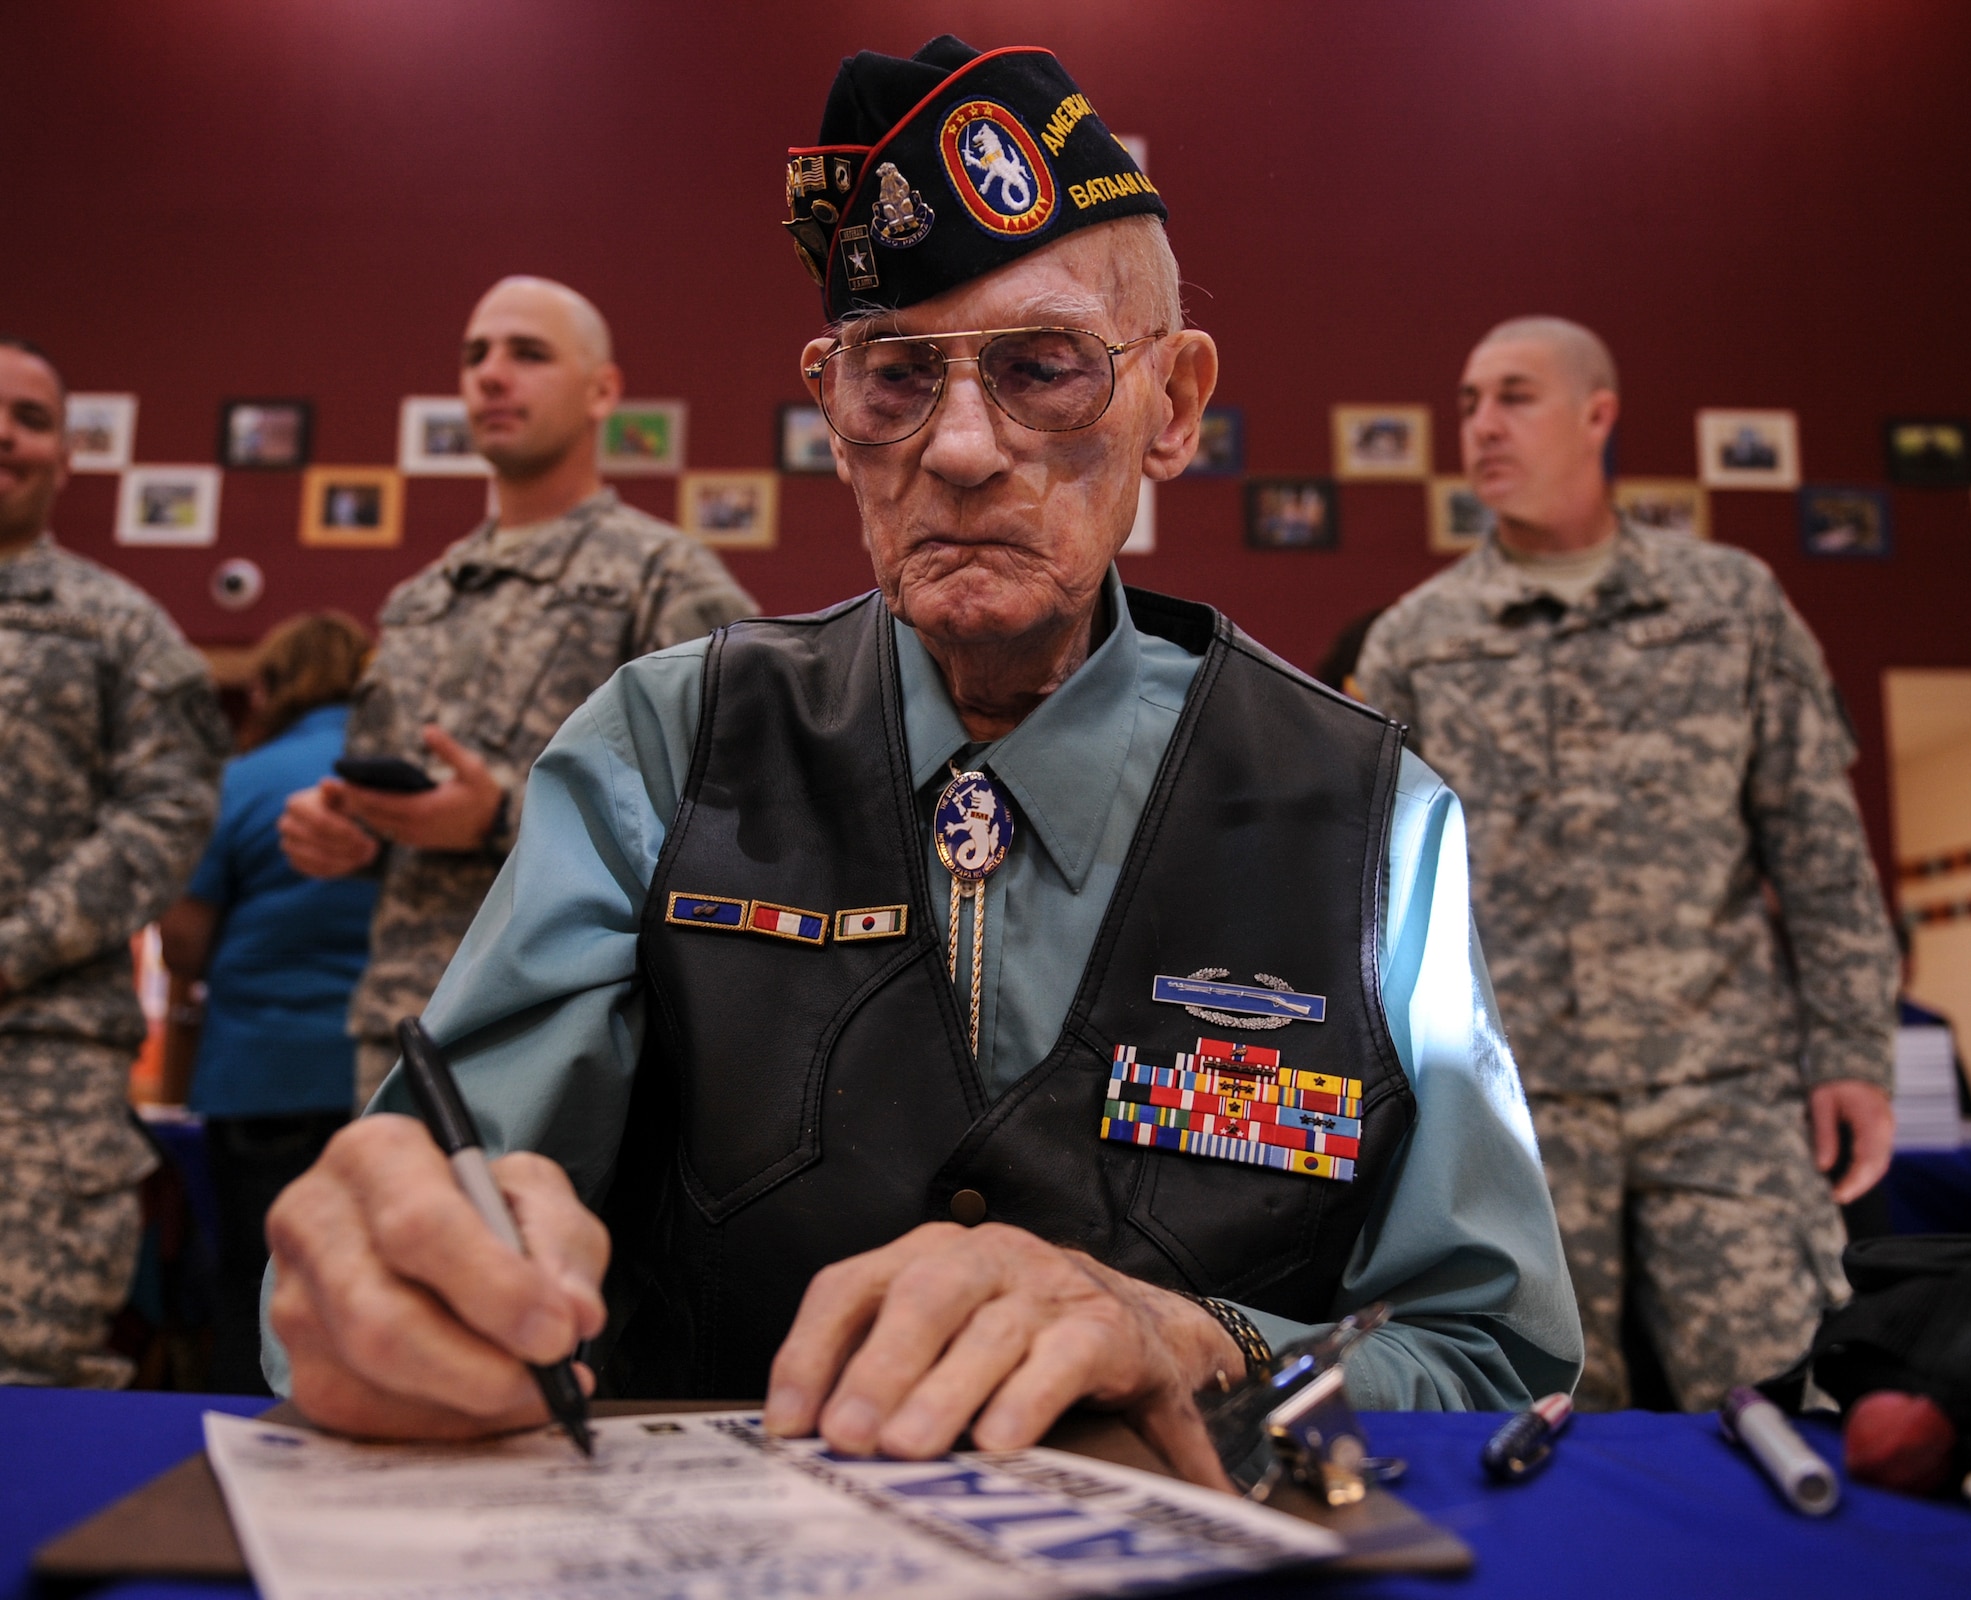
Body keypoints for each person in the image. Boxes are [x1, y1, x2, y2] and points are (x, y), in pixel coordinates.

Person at [264, 39, 1581, 1481]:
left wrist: (1206, 1337)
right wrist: (393, 1288)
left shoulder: (1367, 820)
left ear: (1177, 404)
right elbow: (416, 1239)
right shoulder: (662, 748)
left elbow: (1488, 1358)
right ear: (834, 413)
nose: (961, 448)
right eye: (897, 377)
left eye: (1046, 369)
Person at [1357, 316, 1900, 1411]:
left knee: (1795, 1410)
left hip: (1719, 1091)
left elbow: (1817, 847)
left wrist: (1850, 1049)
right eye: (1466, 403)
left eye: (1512, 396)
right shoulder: (1415, 639)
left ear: (1596, 414)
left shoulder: (1728, 605)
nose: (1481, 426)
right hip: (1513, 1107)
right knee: (1535, 1426)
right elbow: (1361, 889)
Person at [278, 277, 757, 1108]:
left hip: (582, 1034)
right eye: (475, 357)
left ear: (601, 390)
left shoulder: (667, 581)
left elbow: (741, 813)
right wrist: (347, 833)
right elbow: (392, 805)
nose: (491, 376)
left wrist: (499, 817)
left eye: (527, 354)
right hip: (412, 1024)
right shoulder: (420, 600)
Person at [0, 334, 230, 1386]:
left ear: (64, 456)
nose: (6, 432)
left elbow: (166, 813)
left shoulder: (120, 631)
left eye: (32, 417)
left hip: (37, 1060)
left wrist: (13, 946)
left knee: (25, 1370)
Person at [160, 612, 380, 1394]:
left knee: (255, 1288)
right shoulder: (391, 777)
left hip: (261, 1073)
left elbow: (184, 945)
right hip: (383, 1073)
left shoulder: (242, 780)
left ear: (267, 687)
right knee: (376, 1289)